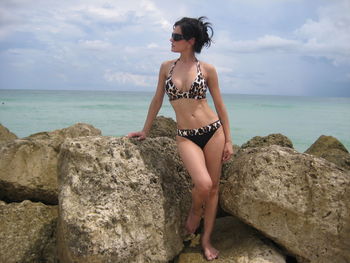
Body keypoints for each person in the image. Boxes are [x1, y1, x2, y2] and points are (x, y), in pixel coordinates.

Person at [128, 16, 233, 261]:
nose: (171, 40)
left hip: (212, 131)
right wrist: (146, 130)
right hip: (185, 136)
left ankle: (206, 240)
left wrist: (228, 140)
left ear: (190, 41)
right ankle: (195, 211)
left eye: (176, 36)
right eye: (172, 35)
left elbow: (220, 105)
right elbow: (157, 100)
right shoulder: (167, 67)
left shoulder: (207, 70)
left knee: (214, 187)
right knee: (204, 184)